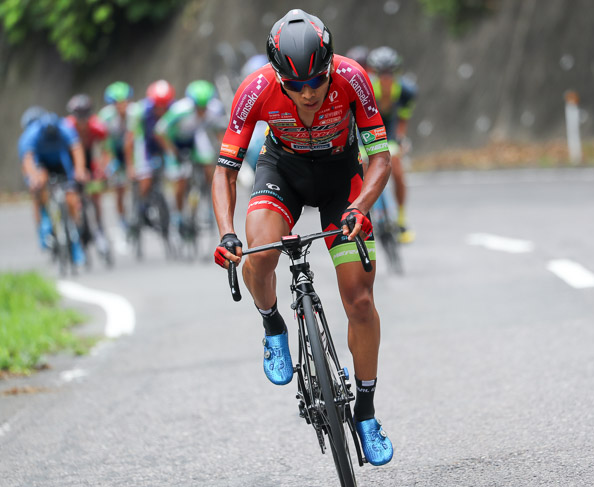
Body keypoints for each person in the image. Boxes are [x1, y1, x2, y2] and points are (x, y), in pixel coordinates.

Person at [212, 9, 394, 466]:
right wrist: (227, 233)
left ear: (330, 64)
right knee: (261, 253)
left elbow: (381, 159)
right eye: (295, 85)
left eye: (316, 80)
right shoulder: (254, 89)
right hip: (283, 173)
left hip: (340, 181)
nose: (308, 92)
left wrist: (359, 207)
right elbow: (225, 172)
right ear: (277, 76)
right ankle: (273, 323)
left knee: (360, 301)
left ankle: (367, 414)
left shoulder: (353, 79)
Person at [155, 79, 227, 232]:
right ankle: (178, 215)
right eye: (198, 107)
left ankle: (207, 200)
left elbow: (219, 130)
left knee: (209, 168)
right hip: (175, 142)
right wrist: (172, 151)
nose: (202, 111)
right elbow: (159, 131)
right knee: (180, 180)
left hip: (195, 138)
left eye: (204, 107)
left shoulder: (215, 109)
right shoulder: (180, 110)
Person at [18, 108, 88, 264]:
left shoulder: (64, 128)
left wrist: (80, 170)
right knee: (39, 185)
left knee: (71, 197)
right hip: (41, 164)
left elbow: (76, 149)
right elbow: (28, 160)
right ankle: (44, 224)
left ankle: (76, 240)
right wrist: (34, 178)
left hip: (60, 163)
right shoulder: (31, 135)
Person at [367, 46, 418, 243]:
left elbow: (402, 120)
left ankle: (401, 220)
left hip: (389, 131)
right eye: (382, 73)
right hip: (367, 129)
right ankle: (368, 215)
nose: (386, 78)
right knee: (364, 167)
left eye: (391, 73)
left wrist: (400, 139)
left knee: (397, 170)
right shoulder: (367, 88)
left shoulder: (406, 91)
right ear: (375, 73)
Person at [125, 79, 176, 232]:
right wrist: (131, 166)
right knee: (145, 179)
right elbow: (130, 140)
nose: (160, 110)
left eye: (164, 106)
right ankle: (141, 208)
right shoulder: (140, 111)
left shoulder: (174, 109)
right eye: (157, 106)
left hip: (164, 143)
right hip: (145, 145)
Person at [66, 93, 110, 254]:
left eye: (85, 117)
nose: (82, 122)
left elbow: (106, 149)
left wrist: (102, 168)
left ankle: (99, 228)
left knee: (95, 193)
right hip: (71, 161)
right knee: (72, 196)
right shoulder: (67, 127)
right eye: (79, 117)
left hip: (89, 158)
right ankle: (74, 226)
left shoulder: (97, 127)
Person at [99, 81, 134, 233]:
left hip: (131, 149)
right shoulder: (105, 117)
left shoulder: (134, 113)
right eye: (118, 103)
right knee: (119, 188)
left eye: (124, 102)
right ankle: (122, 218)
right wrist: (108, 162)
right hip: (114, 150)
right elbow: (104, 144)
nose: (122, 106)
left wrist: (132, 164)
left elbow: (134, 140)